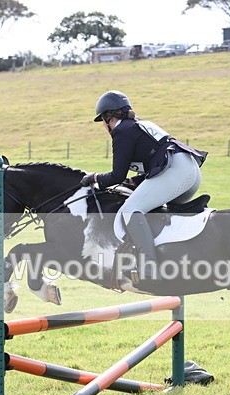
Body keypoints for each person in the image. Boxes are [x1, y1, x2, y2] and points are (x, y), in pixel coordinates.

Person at [80, 90, 207, 282]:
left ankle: (149, 265)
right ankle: (167, 253)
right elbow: (149, 168)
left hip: (176, 171)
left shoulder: (122, 131)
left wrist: (94, 178)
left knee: (130, 210)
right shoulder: (137, 126)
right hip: (190, 171)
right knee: (150, 209)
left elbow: (116, 176)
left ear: (108, 118)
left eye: (104, 121)